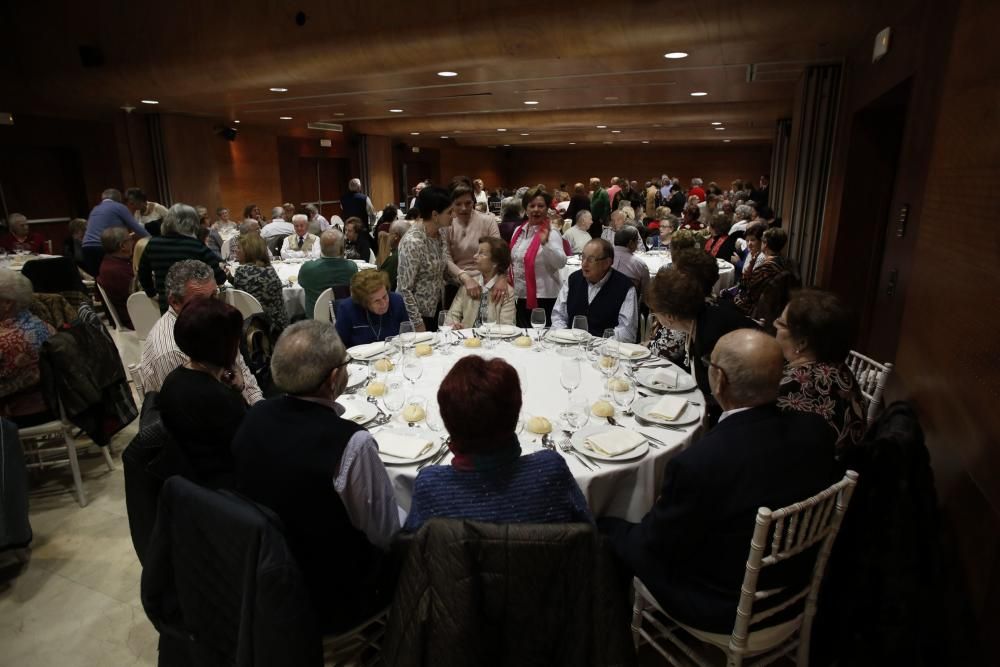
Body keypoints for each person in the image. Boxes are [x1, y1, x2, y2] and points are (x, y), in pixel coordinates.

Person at [599, 329, 837, 635]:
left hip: (722, 602)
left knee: (605, 529)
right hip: (796, 586)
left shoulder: (701, 462)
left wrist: (610, 523)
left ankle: (606, 635)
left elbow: (654, 546)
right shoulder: (816, 430)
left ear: (719, 380)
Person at [232, 320, 399, 632]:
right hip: (332, 598)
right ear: (334, 378)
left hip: (266, 577)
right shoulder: (351, 444)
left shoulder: (255, 415)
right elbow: (386, 534)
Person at [405, 356, 591, 531]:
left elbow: (413, 549)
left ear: (448, 419)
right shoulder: (550, 469)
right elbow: (587, 534)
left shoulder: (430, 485)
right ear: (516, 412)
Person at [139, 260, 263, 404]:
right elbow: (201, 411)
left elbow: (242, 371)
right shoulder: (173, 351)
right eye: (202, 301)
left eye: (214, 295)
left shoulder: (211, 322)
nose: (214, 305)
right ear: (175, 302)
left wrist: (258, 406)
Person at [157, 297, 248, 488]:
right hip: (224, 487)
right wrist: (238, 391)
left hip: (192, 479)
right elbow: (250, 445)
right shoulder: (219, 398)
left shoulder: (173, 379)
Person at [646, 266, 749, 422]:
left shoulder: (710, 335)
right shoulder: (700, 318)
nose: (655, 318)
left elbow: (723, 392)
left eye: (655, 313)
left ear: (669, 316)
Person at [775, 290, 866, 454]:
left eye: (780, 324)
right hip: (845, 474)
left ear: (802, 342)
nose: (774, 325)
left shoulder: (791, 384)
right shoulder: (842, 371)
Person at [138, 203, 226, 313]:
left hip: (167, 308)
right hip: (197, 310)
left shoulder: (153, 244)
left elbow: (142, 273)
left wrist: (152, 293)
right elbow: (220, 278)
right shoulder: (196, 246)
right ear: (193, 224)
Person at [551, 238, 637, 341]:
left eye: (590, 259)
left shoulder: (625, 287)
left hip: (605, 350)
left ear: (607, 263)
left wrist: (600, 346)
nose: (584, 264)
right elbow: (558, 316)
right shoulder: (574, 279)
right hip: (571, 345)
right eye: (583, 257)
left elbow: (627, 332)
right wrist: (566, 337)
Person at [0, 269, 55, 426]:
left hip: (23, 413)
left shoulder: (7, 341)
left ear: (7, 303)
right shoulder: (40, 323)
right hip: (52, 401)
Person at [509, 186, 567, 327]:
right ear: (526, 208)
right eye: (532, 205)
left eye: (541, 206)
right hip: (521, 297)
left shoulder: (551, 233)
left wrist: (546, 243)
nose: (536, 209)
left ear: (547, 209)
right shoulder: (519, 231)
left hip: (543, 298)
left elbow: (561, 262)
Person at [397, 186, 452, 331]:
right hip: (417, 315)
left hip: (436, 308)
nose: (454, 215)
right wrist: (417, 323)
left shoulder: (440, 234)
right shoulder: (413, 242)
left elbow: (443, 271)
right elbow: (404, 289)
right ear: (435, 215)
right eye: (449, 212)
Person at [443, 180, 503, 307]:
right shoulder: (447, 225)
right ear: (451, 204)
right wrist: (464, 277)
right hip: (456, 283)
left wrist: (501, 277)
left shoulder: (488, 221)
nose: (463, 208)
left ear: (474, 201)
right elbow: (445, 257)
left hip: (487, 282)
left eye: (468, 203)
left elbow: (499, 252)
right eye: (458, 204)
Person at [446, 237, 516, 329]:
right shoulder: (469, 285)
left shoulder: (507, 291)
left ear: (495, 262)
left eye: (482, 253)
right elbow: (451, 317)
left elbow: (507, 327)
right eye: (477, 252)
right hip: (466, 340)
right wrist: (454, 326)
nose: (475, 256)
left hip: (493, 341)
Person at [83, 189, 151, 276]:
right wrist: (151, 241)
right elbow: (136, 228)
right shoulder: (118, 207)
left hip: (86, 248)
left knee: (99, 279)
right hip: (103, 246)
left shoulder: (95, 209)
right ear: (119, 199)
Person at [334, 269, 410, 347]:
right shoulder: (347, 309)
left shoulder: (397, 301)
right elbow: (339, 346)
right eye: (376, 301)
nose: (384, 304)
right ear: (364, 302)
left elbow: (407, 335)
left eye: (385, 296)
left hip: (395, 355)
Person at [232, 233, 288, 337]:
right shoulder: (270, 270)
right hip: (279, 325)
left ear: (249, 251)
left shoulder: (241, 271)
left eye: (239, 248)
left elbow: (241, 291)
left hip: (255, 329)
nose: (236, 251)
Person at [297, 229, 358, 319]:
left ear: (320, 246)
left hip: (314, 319)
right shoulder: (351, 267)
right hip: (342, 318)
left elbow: (301, 284)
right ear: (342, 248)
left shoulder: (308, 268)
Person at [733, 227, 789, 315]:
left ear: (765, 244)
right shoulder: (782, 261)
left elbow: (745, 286)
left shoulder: (765, 268)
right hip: (774, 307)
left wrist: (750, 267)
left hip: (756, 309)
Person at [96, 227, 135, 329]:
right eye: (130, 239)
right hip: (136, 319)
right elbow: (138, 297)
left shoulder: (111, 262)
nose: (133, 242)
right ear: (122, 246)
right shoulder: (116, 270)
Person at [612, 225, 650, 296]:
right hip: (629, 304)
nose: (638, 244)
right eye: (637, 241)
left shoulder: (603, 257)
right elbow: (646, 292)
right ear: (631, 243)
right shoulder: (640, 264)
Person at [379, 220, 408, 290]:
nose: (388, 236)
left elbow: (381, 282)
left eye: (389, 233)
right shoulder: (406, 251)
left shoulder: (396, 257)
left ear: (396, 236)